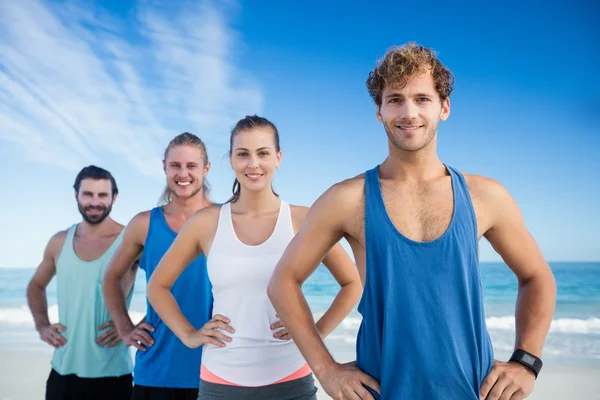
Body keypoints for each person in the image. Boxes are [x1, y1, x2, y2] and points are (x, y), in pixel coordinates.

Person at [267, 42, 557, 400]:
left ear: (444, 107)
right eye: (395, 99)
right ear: (379, 111)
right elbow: (283, 281)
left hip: (472, 391)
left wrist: (526, 361)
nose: (408, 112)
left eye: (422, 98)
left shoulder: (485, 196)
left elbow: (536, 277)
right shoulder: (347, 199)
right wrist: (326, 370)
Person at [147, 115, 363, 400]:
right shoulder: (206, 222)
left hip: (291, 380)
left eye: (263, 153)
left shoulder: (303, 219)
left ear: (278, 158)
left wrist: (315, 333)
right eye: (243, 154)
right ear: (231, 160)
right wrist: (190, 335)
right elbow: (157, 286)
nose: (253, 164)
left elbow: (352, 283)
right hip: (220, 382)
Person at [102, 133, 213, 400]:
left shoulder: (225, 218)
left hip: (216, 367)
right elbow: (111, 278)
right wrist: (125, 329)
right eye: (175, 165)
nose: (183, 173)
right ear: (164, 167)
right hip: (158, 367)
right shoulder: (144, 224)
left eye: (191, 166)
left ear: (206, 169)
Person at [27, 166, 133, 400]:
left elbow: (169, 284)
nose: (95, 202)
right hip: (63, 372)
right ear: (76, 195)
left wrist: (130, 327)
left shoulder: (130, 240)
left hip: (114, 375)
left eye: (102, 195)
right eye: (88, 194)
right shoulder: (59, 241)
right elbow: (36, 285)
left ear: (114, 197)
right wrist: (42, 325)